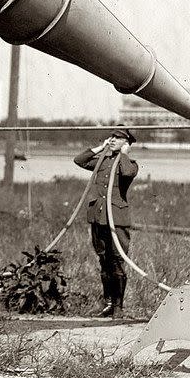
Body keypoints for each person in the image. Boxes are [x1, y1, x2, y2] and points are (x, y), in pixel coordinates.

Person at [73, 128, 139, 319]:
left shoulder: (130, 164)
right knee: (103, 261)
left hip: (117, 219)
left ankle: (118, 307)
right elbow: (79, 160)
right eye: (111, 136)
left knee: (117, 261)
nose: (112, 139)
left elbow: (126, 173)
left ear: (126, 142)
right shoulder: (102, 160)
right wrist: (99, 148)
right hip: (97, 217)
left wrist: (124, 153)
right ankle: (108, 303)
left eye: (117, 138)